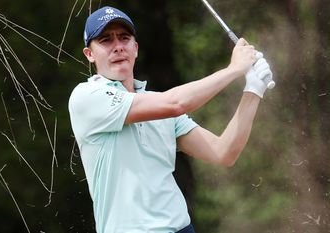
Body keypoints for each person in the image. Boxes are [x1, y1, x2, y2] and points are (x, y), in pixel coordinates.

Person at [68, 5, 273, 233]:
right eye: (106, 40)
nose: (117, 47)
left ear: (135, 48)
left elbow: (223, 152)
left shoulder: (157, 104)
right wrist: (234, 70)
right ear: (90, 54)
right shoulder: (86, 97)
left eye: (124, 38)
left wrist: (253, 90)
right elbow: (176, 103)